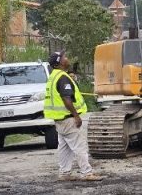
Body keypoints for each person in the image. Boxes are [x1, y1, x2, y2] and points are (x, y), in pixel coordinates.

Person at [44, 51, 103, 182]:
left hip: (59, 120)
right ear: (59, 62)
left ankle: (65, 173)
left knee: (64, 148)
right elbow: (66, 99)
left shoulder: (53, 77)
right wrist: (76, 116)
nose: (67, 58)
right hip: (68, 118)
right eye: (64, 57)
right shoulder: (62, 77)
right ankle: (87, 173)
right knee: (79, 146)